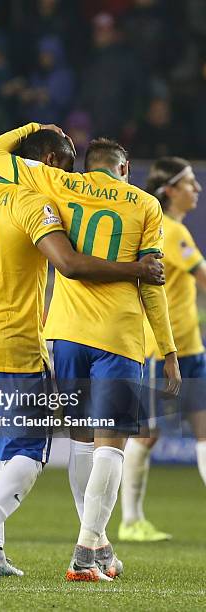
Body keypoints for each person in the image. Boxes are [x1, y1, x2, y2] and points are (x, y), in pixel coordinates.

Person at [0, 128, 165, 579]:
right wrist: (136, 269)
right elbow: (70, 264)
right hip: (17, 345)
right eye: (67, 164)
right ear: (52, 162)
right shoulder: (32, 204)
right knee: (29, 451)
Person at [0, 124, 181, 581]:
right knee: (112, 444)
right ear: (125, 169)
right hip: (118, 336)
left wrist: (35, 129)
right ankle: (86, 551)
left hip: (63, 336)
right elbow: (153, 282)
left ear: (88, 167)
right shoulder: (145, 204)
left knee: (83, 442)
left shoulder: (59, 183)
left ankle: (99, 545)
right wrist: (167, 347)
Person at [119, 157, 206, 542]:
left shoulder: (176, 230)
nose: (197, 189)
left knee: (204, 432)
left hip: (190, 348)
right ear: (169, 190)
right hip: (162, 351)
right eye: (189, 183)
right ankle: (130, 520)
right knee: (145, 435)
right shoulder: (170, 231)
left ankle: (132, 520)